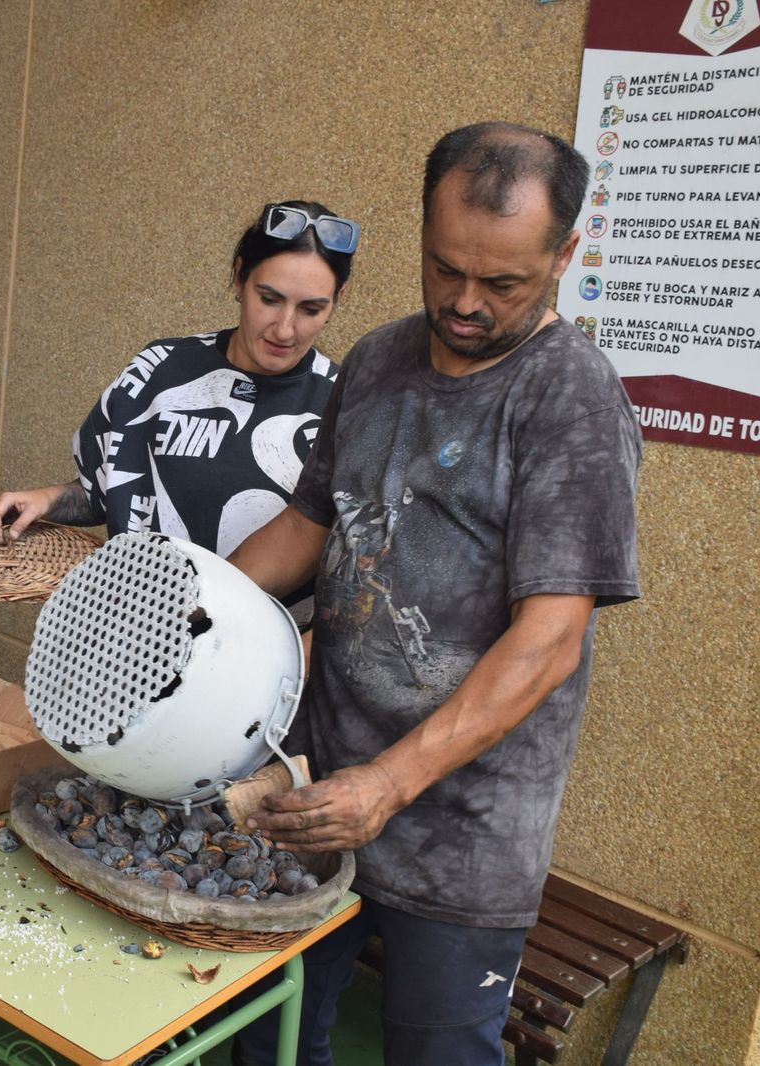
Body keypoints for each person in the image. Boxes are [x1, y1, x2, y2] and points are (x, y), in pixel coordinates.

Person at [228, 123, 642, 1065]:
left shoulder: (569, 397)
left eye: (503, 284)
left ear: (565, 255)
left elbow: (548, 640)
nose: (463, 303)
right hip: (318, 791)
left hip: (465, 832)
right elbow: (304, 529)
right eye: (444, 267)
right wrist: (187, 607)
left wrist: (390, 784)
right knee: (269, 1039)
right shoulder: (374, 361)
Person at [0, 200, 357, 616]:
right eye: (269, 299)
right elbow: (111, 489)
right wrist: (48, 498)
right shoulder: (160, 369)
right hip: (133, 645)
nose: (285, 329)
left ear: (338, 299)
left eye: (311, 309)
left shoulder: (347, 406)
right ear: (238, 277)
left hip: (259, 665)